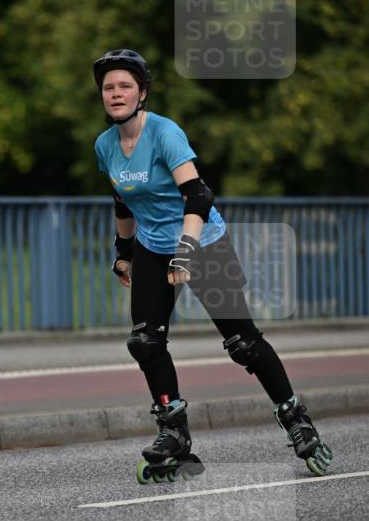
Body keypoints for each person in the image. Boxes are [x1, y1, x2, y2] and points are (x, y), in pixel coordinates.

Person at [93, 48, 333, 482]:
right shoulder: (105, 146)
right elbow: (121, 202)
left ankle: (296, 419)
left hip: (204, 240)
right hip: (152, 245)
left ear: (142, 92)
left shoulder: (164, 133)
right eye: (109, 87)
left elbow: (198, 196)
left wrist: (186, 250)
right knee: (146, 341)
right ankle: (174, 434)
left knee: (242, 341)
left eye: (125, 85)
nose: (115, 93)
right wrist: (123, 254)